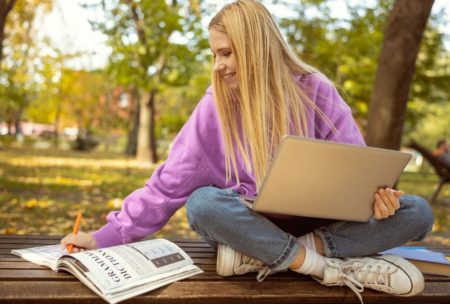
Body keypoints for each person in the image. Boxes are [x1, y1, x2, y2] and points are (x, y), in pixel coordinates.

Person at [61, 1, 434, 302]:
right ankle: (325, 267)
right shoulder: (215, 107)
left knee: (417, 211)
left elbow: (356, 169)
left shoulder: (316, 91)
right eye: (214, 55)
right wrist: (105, 236)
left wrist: (379, 198)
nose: (218, 66)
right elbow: (167, 185)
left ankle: (275, 254)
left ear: (256, 48)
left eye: (226, 53)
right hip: (247, 223)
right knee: (203, 205)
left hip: (318, 223)